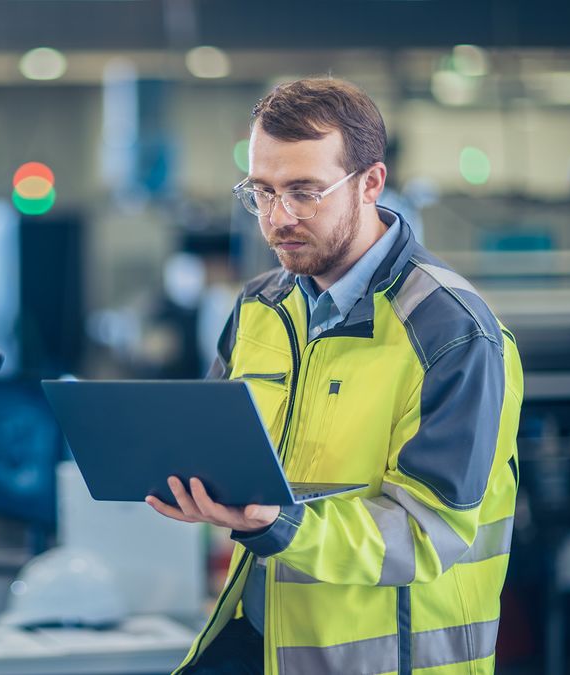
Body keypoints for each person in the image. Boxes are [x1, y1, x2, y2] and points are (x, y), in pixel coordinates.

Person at [145, 78, 523, 675]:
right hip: (265, 639)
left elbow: (426, 534)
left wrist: (277, 523)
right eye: (262, 192)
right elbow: (217, 445)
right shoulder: (259, 308)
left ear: (372, 182)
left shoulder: (450, 332)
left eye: (304, 192)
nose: (278, 218)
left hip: (387, 660)